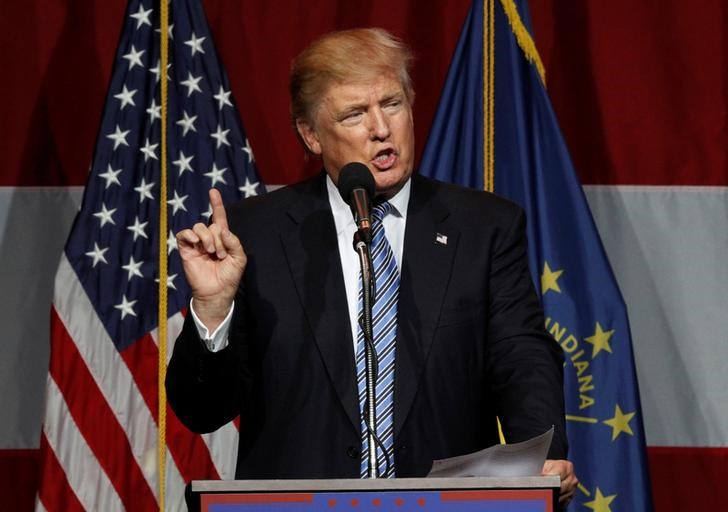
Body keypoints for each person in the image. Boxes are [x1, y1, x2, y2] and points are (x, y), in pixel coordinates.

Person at [166, 27, 577, 506]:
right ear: (310, 134)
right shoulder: (254, 234)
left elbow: (521, 356)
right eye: (354, 114)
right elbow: (202, 411)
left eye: (392, 104)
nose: (381, 129)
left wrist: (540, 458)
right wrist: (213, 310)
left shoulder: (483, 227)